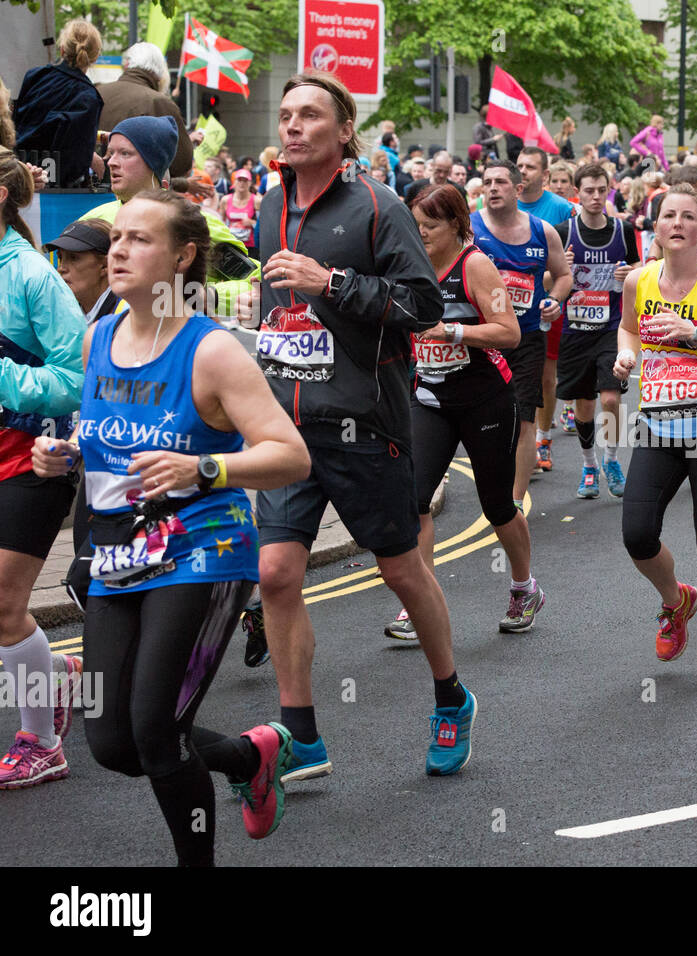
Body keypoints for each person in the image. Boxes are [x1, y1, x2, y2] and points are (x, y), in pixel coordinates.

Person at [32, 191, 310, 864]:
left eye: (138, 240)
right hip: (116, 554)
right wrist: (64, 451)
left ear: (183, 256)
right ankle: (249, 755)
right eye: (116, 238)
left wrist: (203, 467)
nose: (118, 250)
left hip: (201, 551)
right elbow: (106, 434)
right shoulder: (100, 336)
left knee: (156, 731)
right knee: (112, 744)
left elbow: (289, 454)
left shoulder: (211, 351)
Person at [247, 72, 477, 782]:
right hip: (285, 428)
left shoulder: (378, 208)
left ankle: (451, 696)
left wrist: (334, 284)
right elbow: (277, 311)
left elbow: (420, 305)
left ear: (344, 131)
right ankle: (301, 736)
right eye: (285, 115)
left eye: (310, 115)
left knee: (400, 569)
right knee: (277, 572)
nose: (292, 126)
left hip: (361, 424)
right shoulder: (266, 206)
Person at [384, 184, 545, 638]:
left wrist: (454, 333)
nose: (421, 234)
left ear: (456, 224)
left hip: (485, 400)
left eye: (430, 226)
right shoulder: (407, 265)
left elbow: (509, 333)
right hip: (430, 399)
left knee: (497, 505)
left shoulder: (475, 265)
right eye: (414, 226)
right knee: (414, 501)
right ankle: (421, 603)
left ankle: (523, 587)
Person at [613, 184, 697, 677]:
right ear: (656, 226)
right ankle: (676, 601)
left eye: (688, 217)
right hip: (657, 426)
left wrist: (696, 336)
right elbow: (629, 326)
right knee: (637, 534)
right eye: (668, 215)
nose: (677, 224)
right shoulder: (639, 281)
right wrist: (625, 354)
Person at [0, 154, 86, 789]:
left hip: (30, 459)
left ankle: (43, 742)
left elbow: (74, 380)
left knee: (3, 605)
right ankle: (53, 678)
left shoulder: (31, 275)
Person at [83, 115, 258, 321]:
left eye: (125, 153)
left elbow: (252, 279)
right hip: (104, 344)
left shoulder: (190, 221)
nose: (111, 162)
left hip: (172, 344)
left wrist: (206, 296)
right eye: (111, 154)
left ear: (153, 162)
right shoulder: (91, 219)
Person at [472, 158, 572, 509]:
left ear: (517, 189)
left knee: (524, 416)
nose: (493, 188)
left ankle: (513, 500)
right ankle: (493, 487)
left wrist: (555, 300)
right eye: (487, 182)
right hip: (481, 338)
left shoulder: (542, 231)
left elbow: (563, 275)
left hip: (527, 337)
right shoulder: (468, 230)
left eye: (500, 182)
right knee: (483, 418)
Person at [556, 163, 640, 498]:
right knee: (585, 404)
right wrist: (562, 267)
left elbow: (639, 269)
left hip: (612, 328)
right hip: (576, 330)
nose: (595, 196)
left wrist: (628, 274)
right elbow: (549, 280)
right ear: (579, 191)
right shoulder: (563, 231)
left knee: (611, 397)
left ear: (609, 191)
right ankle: (589, 464)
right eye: (588, 190)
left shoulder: (623, 230)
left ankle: (611, 459)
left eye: (601, 190)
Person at [514, 147, 576, 475]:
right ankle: (514, 439)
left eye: (530, 167)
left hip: (546, 304)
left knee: (546, 377)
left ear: (545, 175)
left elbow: (572, 261)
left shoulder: (564, 210)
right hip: (507, 308)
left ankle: (543, 437)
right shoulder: (501, 205)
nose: (523, 172)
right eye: (519, 166)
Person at [13, 20, 103, 187]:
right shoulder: (89, 97)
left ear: (62, 49)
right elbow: (75, 159)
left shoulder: (35, 76)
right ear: (96, 56)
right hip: (56, 185)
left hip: (19, 171)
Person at [97, 42, 194, 184]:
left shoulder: (96, 92)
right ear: (160, 73)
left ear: (126, 65)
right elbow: (181, 163)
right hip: (137, 195)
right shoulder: (159, 102)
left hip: (87, 192)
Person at [44, 218, 119, 321]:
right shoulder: (63, 314)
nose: (61, 268)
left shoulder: (128, 315)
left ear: (105, 265)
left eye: (74, 258)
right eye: (61, 258)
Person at [223, 168, 260, 253]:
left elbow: (263, 224)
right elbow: (221, 222)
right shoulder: (225, 200)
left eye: (245, 181)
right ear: (234, 182)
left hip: (250, 245)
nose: (242, 183)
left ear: (250, 183)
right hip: (231, 244)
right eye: (239, 180)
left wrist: (252, 222)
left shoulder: (256, 201)